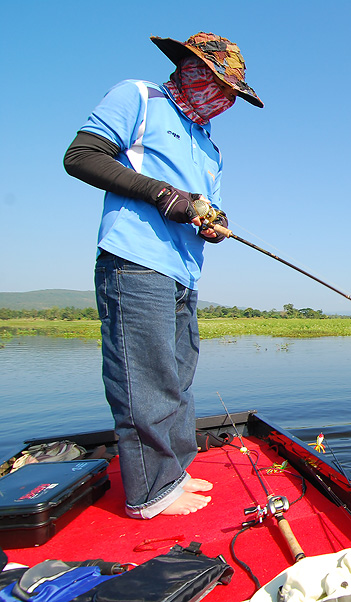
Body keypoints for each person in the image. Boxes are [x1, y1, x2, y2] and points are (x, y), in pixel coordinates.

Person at [63, 32, 263, 519]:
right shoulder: (139, 97)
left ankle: (174, 470)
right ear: (189, 68)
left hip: (183, 272)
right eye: (215, 81)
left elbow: (200, 206)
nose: (222, 97)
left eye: (230, 93)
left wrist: (214, 223)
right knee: (145, 379)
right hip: (135, 260)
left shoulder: (210, 147)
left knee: (177, 380)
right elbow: (82, 156)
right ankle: (150, 493)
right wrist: (162, 194)